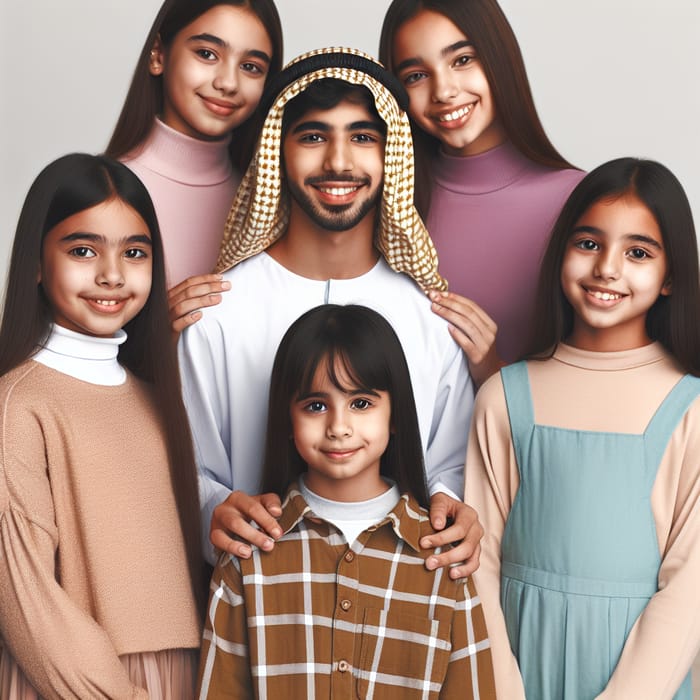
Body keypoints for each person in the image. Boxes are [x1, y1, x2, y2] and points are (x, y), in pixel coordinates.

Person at [179, 47, 482, 578]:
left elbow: (448, 466)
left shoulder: (432, 319)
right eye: (313, 137)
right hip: (256, 615)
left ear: (392, 155)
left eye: (362, 137)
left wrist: (451, 506)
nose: (339, 162)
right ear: (277, 152)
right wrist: (213, 511)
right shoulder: (217, 314)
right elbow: (191, 469)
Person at [465, 158, 700, 699]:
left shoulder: (688, 406)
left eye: (638, 252)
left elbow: (688, 588)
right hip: (519, 669)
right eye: (589, 243)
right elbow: (478, 564)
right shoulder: (503, 396)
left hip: (641, 680)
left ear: (671, 279)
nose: (607, 269)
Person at [197, 304, 496, 698]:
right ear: (288, 419)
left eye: (361, 403)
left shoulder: (440, 556)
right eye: (316, 406)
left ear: (394, 416)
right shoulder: (249, 551)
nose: (339, 427)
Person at [0, 154, 205, 698]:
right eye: (83, 250)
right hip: (74, 682)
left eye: (134, 253)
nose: (112, 274)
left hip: (179, 676)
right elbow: (29, 602)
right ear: (37, 263)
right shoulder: (18, 406)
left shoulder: (157, 399)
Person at [379, 0, 584, 384]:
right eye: (416, 75)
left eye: (461, 60)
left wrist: (493, 371)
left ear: (499, 57)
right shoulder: (386, 206)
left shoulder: (579, 202)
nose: (443, 91)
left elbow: (610, 373)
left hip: (520, 442)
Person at [106, 0, 283, 333]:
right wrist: (158, 335)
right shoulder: (108, 193)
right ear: (158, 54)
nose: (228, 83)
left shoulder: (273, 205)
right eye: (207, 54)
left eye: (251, 67)